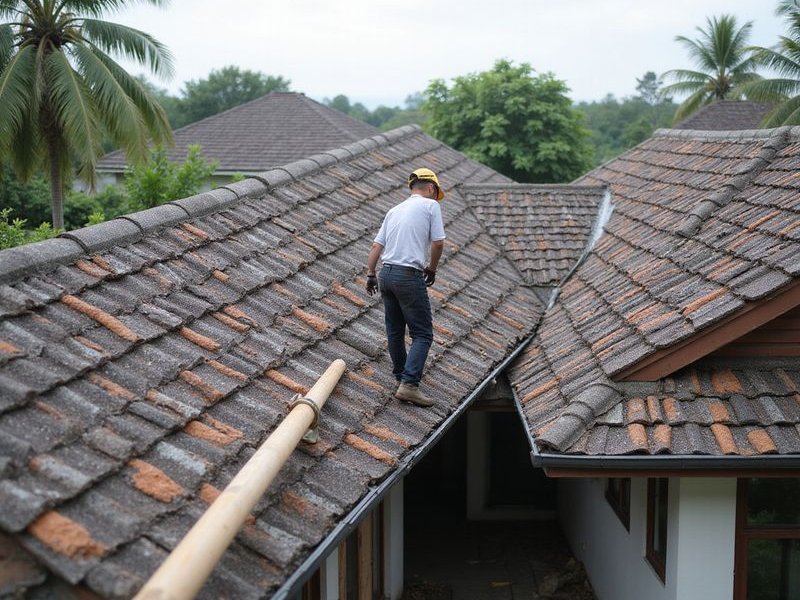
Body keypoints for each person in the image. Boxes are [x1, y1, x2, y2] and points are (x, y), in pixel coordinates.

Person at [365, 168, 446, 407]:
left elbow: (376, 246)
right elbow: (439, 242)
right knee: (422, 333)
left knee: (395, 330)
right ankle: (409, 384)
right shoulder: (431, 206)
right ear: (431, 188)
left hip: (386, 273)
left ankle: (401, 376)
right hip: (408, 276)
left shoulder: (394, 210)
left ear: (413, 187)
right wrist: (432, 268)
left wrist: (371, 274)